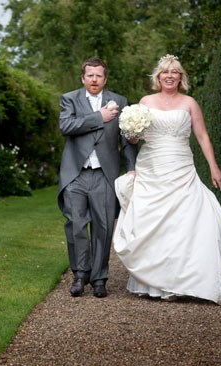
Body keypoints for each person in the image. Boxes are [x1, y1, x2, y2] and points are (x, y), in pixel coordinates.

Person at [113, 54, 221, 304]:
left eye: (174, 72)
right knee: (153, 221)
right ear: (158, 77)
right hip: (151, 168)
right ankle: (154, 282)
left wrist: (214, 167)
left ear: (181, 77)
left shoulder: (190, 103)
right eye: (165, 72)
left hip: (181, 167)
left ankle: (184, 281)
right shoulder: (145, 101)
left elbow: (202, 137)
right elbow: (134, 139)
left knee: (187, 221)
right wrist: (131, 133)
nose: (169, 76)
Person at [58, 57, 138, 298]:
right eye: (90, 75)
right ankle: (80, 275)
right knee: (77, 225)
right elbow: (67, 126)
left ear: (105, 78)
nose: (94, 79)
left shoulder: (120, 102)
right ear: (83, 78)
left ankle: (99, 278)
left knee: (103, 226)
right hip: (76, 174)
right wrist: (98, 118)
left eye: (99, 76)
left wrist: (131, 167)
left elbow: (127, 139)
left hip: (105, 174)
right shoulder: (69, 99)